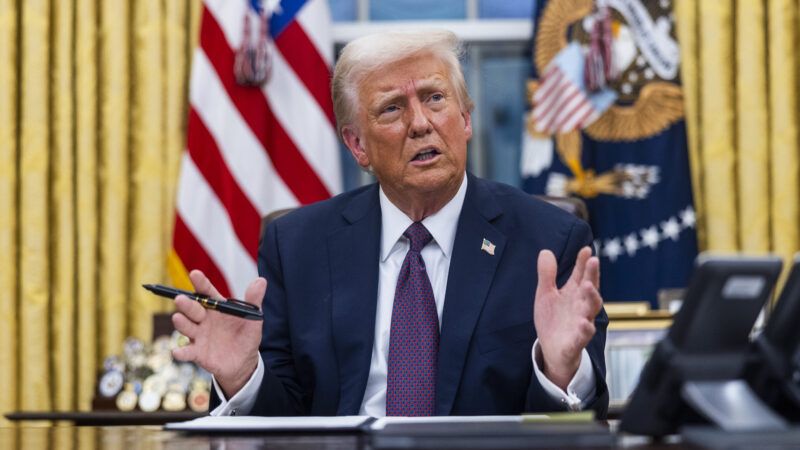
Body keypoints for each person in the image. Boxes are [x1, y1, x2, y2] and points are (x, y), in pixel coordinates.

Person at [171, 29, 608, 417]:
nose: (421, 124)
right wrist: (242, 377)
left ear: (466, 118)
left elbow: (570, 423)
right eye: (392, 109)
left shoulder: (549, 241)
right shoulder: (297, 246)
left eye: (435, 99)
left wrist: (560, 369)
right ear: (357, 145)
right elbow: (285, 422)